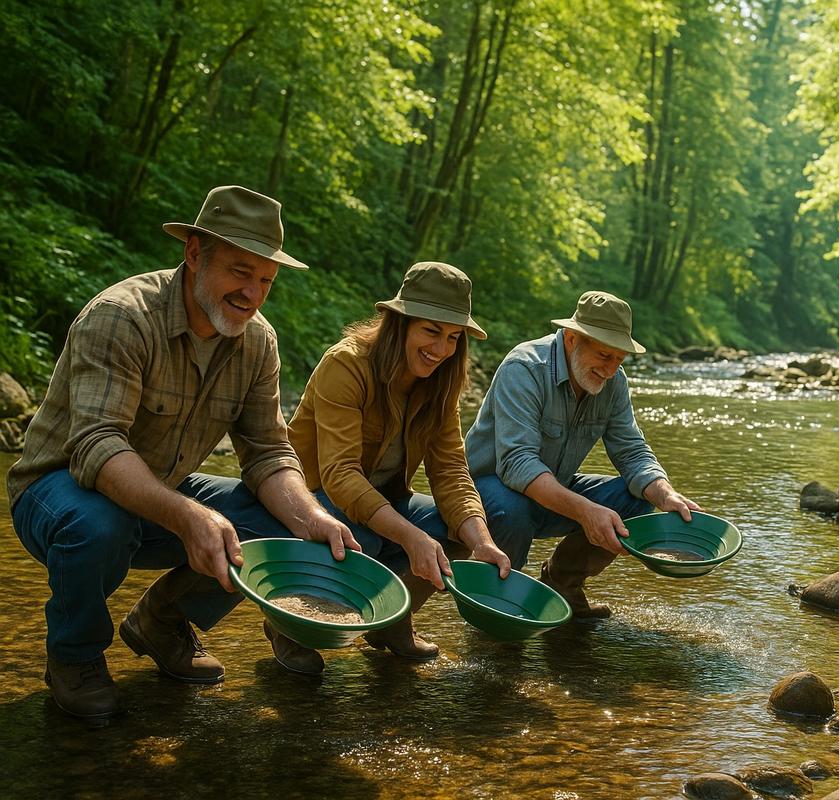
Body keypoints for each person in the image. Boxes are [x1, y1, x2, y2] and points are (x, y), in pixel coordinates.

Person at [6, 185, 358, 720]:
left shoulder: (258, 341)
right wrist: (191, 516)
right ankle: (74, 658)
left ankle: (161, 621)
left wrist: (310, 517)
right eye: (241, 271)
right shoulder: (122, 317)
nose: (253, 293)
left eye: (266, 279)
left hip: (162, 488)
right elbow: (97, 445)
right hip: (58, 492)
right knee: (101, 525)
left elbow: (267, 451)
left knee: (286, 519)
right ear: (194, 253)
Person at [282, 262, 510, 673]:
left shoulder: (440, 383)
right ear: (399, 323)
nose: (442, 349)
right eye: (431, 331)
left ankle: (391, 623)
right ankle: (290, 625)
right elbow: (339, 476)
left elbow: (452, 472)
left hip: (382, 499)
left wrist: (482, 542)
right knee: (360, 538)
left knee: (458, 527)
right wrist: (410, 536)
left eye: (454, 337)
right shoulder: (346, 365)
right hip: (313, 499)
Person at [465, 291, 699, 619]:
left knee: (633, 501)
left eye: (620, 358)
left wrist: (667, 494)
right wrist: (586, 511)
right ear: (572, 339)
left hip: (552, 488)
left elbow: (632, 451)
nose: (610, 369)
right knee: (512, 508)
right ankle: (498, 601)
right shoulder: (525, 368)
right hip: (487, 493)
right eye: (604, 355)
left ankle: (561, 584)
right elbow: (517, 463)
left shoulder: (614, 381)